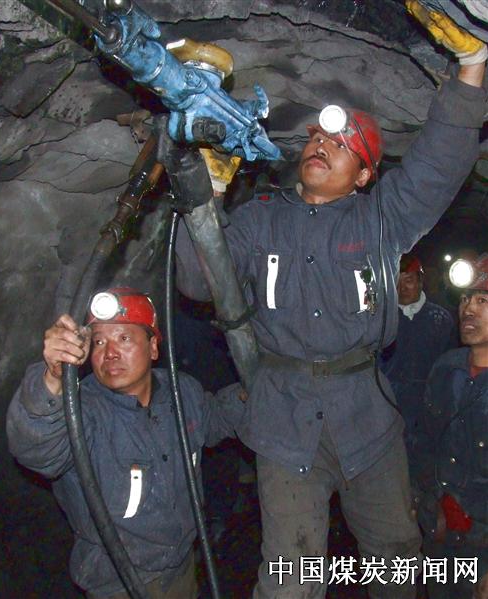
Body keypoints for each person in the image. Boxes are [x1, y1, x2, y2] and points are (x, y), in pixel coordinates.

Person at [159, 3, 488, 597]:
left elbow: (438, 163)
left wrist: (471, 66)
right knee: (290, 577)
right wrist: (205, 196)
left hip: (367, 416)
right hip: (283, 417)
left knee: (398, 560)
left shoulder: (382, 218)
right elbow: (199, 284)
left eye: (341, 143)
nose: (320, 144)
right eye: (315, 137)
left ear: (363, 175)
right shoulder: (260, 220)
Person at [6, 287, 244, 599]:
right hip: (119, 584)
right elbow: (36, 449)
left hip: (182, 570)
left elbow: (215, 417)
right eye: (99, 342)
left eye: (124, 338)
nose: (110, 353)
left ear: (154, 347)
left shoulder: (181, 392)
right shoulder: (79, 412)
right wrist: (51, 379)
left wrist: (256, 388)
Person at [414, 255, 488, 599]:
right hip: (442, 537)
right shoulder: (446, 369)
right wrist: (426, 502)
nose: (468, 309)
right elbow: (425, 443)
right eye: (465, 299)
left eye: (482, 301)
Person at [381, 253, 456, 457]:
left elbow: (451, 368)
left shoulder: (441, 319)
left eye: (409, 280)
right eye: (397, 281)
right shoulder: (382, 321)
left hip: (429, 408)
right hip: (390, 410)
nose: (402, 288)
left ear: (421, 281)